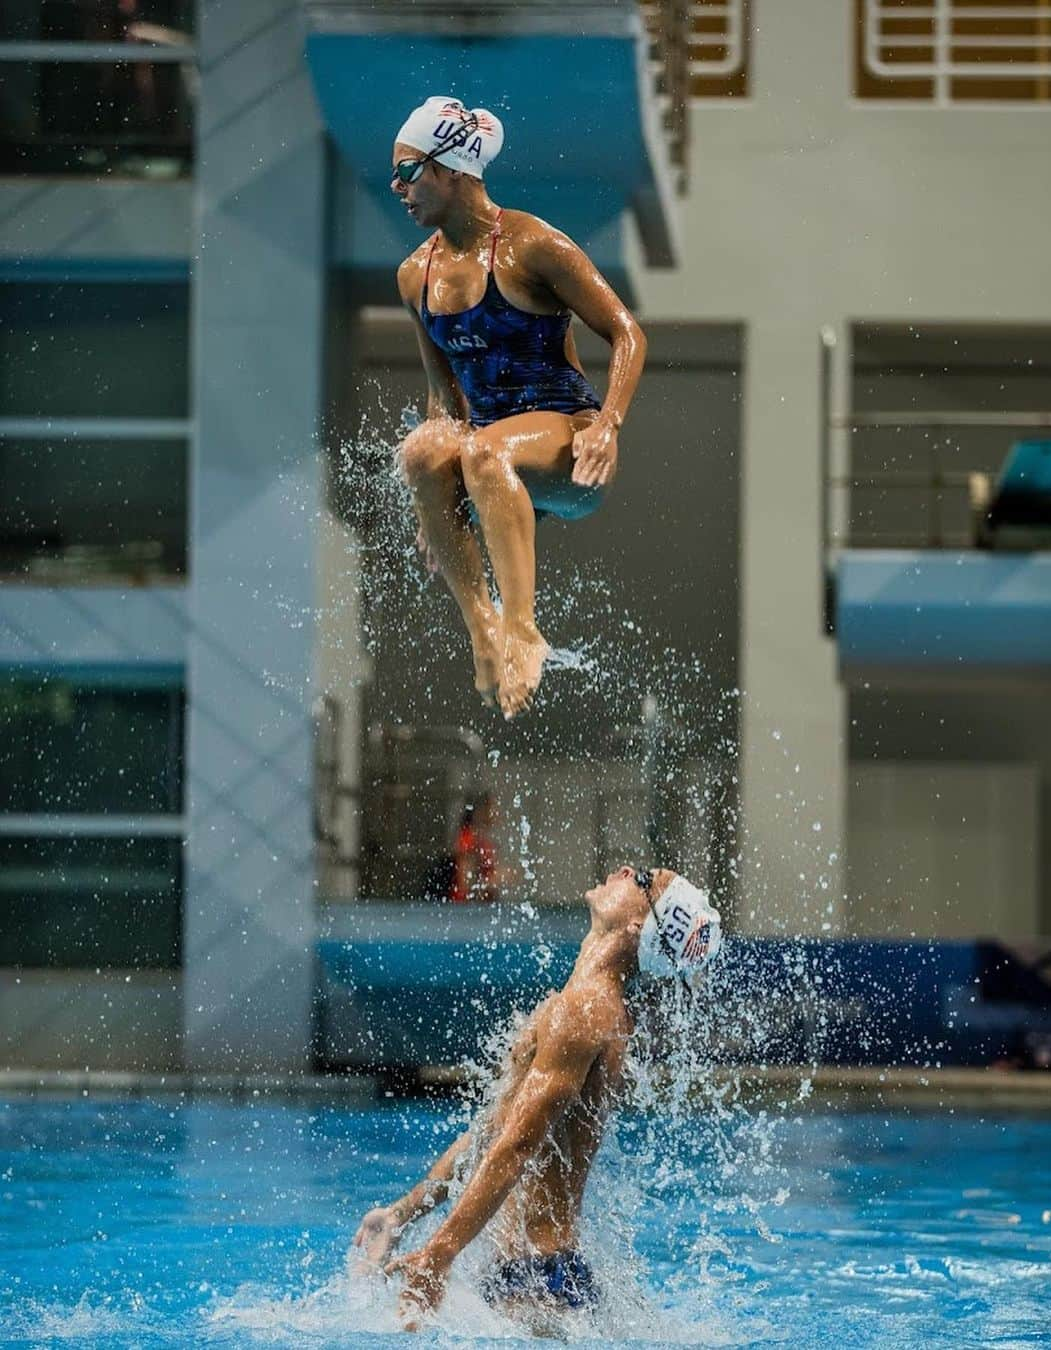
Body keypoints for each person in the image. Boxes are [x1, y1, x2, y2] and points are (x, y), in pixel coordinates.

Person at [353, 865, 722, 1332]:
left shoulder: (586, 1009)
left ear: (639, 926)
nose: (627, 869)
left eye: (643, 879)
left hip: (537, 1286)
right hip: (528, 1280)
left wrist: (439, 1254)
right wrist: (404, 1212)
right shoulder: (577, 1005)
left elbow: (520, 1145)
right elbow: (498, 1128)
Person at [391, 97, 647, 719]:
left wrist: (609, 425)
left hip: (569, 450)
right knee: (422, 449)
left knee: (483, 450)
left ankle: (524, 629)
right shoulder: (414, 276)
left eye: (407, 172)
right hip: (488, 472)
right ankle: (485, 633)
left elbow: (627, 333)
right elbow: (443, 401)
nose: (398, 188)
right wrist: (432, 512)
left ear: (450, 169)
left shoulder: (530, 245)